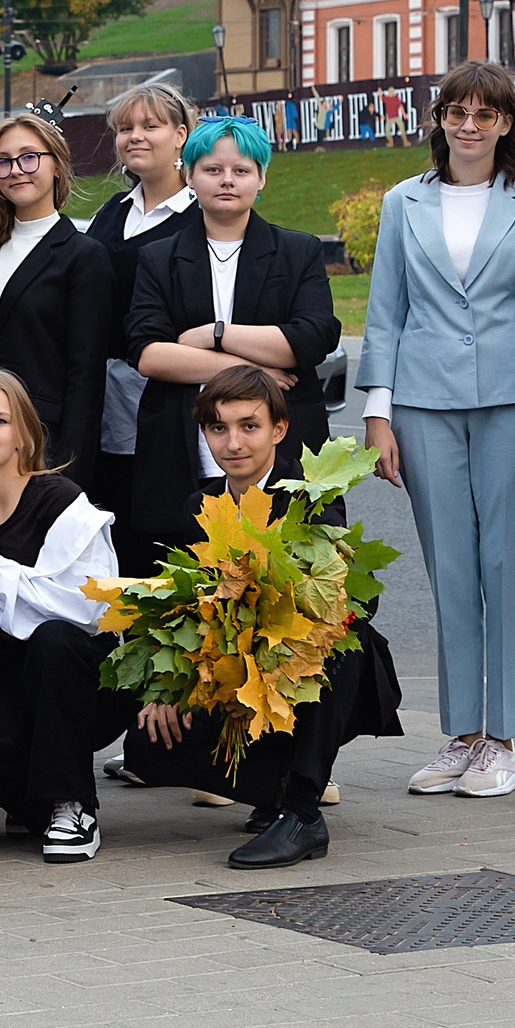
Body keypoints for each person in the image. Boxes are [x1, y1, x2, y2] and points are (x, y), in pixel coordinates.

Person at [99, 365, 402, 868]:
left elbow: (352, 606)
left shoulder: (308, 500)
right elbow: (188, 606)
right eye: (218, 428)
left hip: (303, 670)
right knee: (147, 749)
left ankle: (303, 812)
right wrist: (169, 691)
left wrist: (265, 681)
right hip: (232, 668)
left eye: (249, 426)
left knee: (349, 642)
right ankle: (275, 789)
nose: (233, 442)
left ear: (278, 429)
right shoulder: (201, 503)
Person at [359, 62, 515, 799]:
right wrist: (378, 413)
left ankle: (504, 737)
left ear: (508, 123)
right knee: (450, 566)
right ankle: (462, 733)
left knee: (506, 564)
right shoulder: (402, 202)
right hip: (422, 401)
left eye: (486, 113)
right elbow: (385, 312)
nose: (469, 125)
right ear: (438, 118)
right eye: (457, 111)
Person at [123, 115, 340, 574]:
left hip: (282, 441)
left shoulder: (297, 251)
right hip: (182, 443)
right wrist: (250, 369)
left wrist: (214, 333)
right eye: (212, 169)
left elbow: (311, 338)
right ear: (190, 175)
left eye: (241, 170)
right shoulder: (159, 257)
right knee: (187, 588)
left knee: (289, 580)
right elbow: (147, 353)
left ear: (261, 179)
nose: (227, 180)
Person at [0, 370, 120, 860]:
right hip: (10, 675)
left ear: (23, 436)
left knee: (54, 639)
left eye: (0, 421)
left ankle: (73, 804)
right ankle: (37, 804)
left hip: (87, 681)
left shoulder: (62, 502)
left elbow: (86, 608)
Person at [0, 111, 112, 480]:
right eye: (3, 162)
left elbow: (86, 374)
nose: (16, 169)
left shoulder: (83, 255)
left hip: (43, 437)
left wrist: (71, 469)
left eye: (29, 157)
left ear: (56, 165)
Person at [82, 83, 201, 520]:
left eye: (151, 126)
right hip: (104, 394)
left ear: (181, 135)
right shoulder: (112, 211)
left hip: (167, 393)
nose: (135, 136)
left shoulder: (201, 218)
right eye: (125, 128)